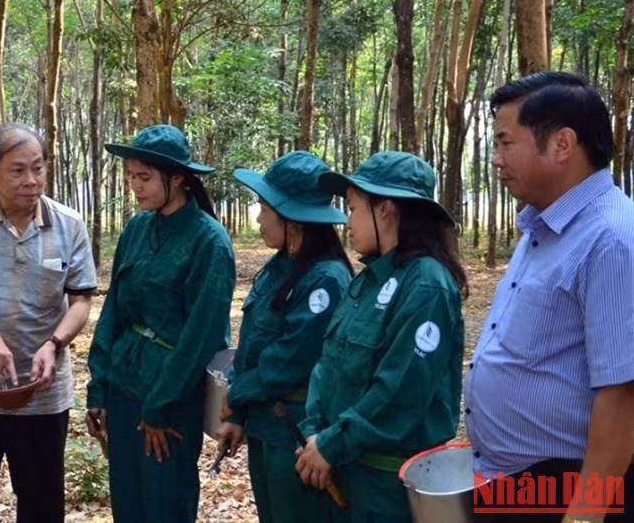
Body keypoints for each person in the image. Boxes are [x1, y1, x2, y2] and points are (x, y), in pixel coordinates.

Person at [465, 72, 634, 523]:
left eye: (505, 142)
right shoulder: (543, 226)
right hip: (511, 483)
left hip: (565, 491)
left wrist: (584, 515)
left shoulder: (613, 238)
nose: (496, 159)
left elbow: (622, 399)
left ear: (561, 145)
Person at [295, 150, 468, 523]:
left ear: (385, 209)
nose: (348, 221)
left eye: (355, 208)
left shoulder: (426, 285)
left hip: (386, 488)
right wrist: (315, 435)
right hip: (342, 472)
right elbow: (328, 364)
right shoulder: (368, 280)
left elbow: (400, 390)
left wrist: (330, 443)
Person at [0, 123, 98, 523]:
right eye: (17, 170)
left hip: (44, 397)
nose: (31, 180)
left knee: (43, 508)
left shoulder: (69, 224)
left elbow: (81, 299)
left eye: (38, 168)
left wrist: (55, 343)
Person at [85, 124, 235, 523]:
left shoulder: (210, 242)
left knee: (166, 500)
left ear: (178, 178)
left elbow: (202, 337)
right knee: (128, 500)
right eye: (131, 176)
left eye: (145, 177)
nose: (135, 186)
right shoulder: (136, 230)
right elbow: (114, 310)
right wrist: (98, 387)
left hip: (172, 395)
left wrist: (160, 405)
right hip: (124, 383)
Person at [215, 151, 353, 522]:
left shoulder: (326, 278)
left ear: (292, 217)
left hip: (295, 435)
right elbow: (254, 346)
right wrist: (239, 413)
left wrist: (236, 393)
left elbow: (290, 359)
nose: (259, 217)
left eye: (264, 207)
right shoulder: (280, 266)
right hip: (265, 425)